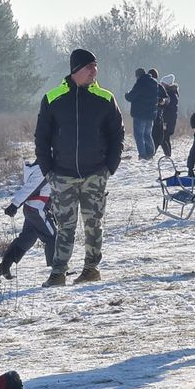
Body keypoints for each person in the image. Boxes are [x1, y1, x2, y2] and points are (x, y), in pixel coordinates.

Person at [33, 48, 124, 286]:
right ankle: (58, 273)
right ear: (75, 70)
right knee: (65, 226)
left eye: (96, 66)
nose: (94, 71)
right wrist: (48, 171)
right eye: (89, 67)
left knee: (94, 224)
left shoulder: (105, 98)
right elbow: (41, 138)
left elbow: (118, 134)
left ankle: (91, 269)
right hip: (62, 175)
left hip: (96, 173)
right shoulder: (53, 98)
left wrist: (109, 167)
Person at [0, 160, 55, 281]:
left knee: (26, 240)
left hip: (32, 209)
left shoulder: (39, 167)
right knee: (53, 237)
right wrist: (14, 204)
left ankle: (4, 266)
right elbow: (29, 188)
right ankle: (58, 271)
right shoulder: (44, 168)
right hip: (37, 209)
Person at [125, 67, 161, 160]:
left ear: (137, 75)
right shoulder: (154, 82)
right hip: (151, 113)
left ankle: (143, 155)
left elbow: (131, 96)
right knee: (147, 134)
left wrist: (127, 94)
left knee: (139, 135)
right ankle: (151, 153)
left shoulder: (140, 83)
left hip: (140, 114)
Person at [154, 71, 178, 158]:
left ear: (167, 84)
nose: (161, 85)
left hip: (168, 120)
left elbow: (169, 106)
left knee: (164, 138)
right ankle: (167, 154)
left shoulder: (171, 95)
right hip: (166, 119)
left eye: (163, 83)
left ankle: (167, 155)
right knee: (164, 138)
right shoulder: (169, 93)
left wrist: (162, 103)